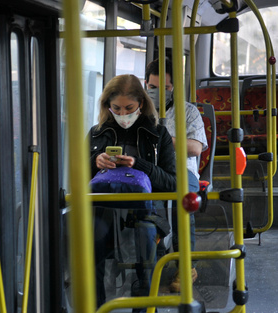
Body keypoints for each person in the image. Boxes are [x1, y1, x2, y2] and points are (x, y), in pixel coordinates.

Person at [89, 74, 177, 310]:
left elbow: (172, 183)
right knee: (90, 242)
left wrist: (139, 165)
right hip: (103, 209)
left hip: (147, 209)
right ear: (108, 105)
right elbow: (80, 180)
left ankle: (145, 306)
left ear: (141, 103)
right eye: (116, 108)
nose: (123, 114)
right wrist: (95, 161)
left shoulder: (157, 134)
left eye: (129, 108)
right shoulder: (97, 134)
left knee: (145, 238)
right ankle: (96, 306)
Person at [145, 58, 208, 292]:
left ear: (173, 89)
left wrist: (161, 140)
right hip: (148, 169)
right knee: (145, 204)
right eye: (152, 88)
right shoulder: (138, 111)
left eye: (165, 89)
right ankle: (150, 262)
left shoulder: (188, 112)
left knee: (184, 202)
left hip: (182, 169)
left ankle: (186, 266)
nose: (157, 93)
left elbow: (194, 148)